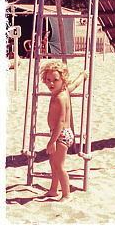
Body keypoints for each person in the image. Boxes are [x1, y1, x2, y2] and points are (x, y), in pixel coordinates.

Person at [40, 61, 89, 202]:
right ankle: (53, 190)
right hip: (58, 134)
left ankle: (67, 194)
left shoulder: (60, 97)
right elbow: (75, 84)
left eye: (56, 80)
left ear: (63, 80)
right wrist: (82, 75)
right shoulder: (64, 90)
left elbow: (60, 122)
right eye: (48, 80)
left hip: (61, 135)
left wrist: (52, 141)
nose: (51, 83)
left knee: (59, 166)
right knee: (52, 162)